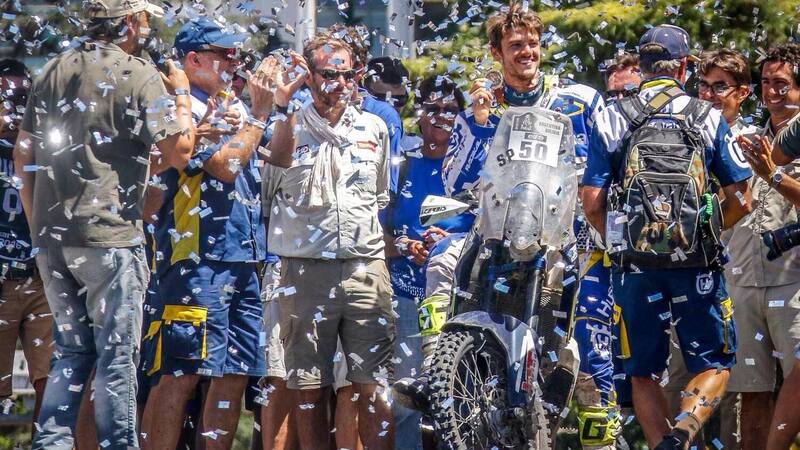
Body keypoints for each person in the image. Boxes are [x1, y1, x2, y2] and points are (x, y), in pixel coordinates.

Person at [393, 2, 605, 434]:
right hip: (494, 233)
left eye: (533, 43)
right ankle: (435, 372)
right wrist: (478, 122)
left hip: (562, 233)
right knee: (443, 260)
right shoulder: (481, 109)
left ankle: (596, 420)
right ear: (497, 53)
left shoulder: (577, 101)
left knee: (587, 341)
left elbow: (604, 163)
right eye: (516, 45)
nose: (527, 52)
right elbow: (453, 181)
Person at [14, 0, 196, 447]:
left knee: (70, 354)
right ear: (130, 22)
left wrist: (39, 227)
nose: (149, 25)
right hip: (110, 239)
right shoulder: (140, 74)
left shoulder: (54, 68)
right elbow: (181, 152)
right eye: (145, 17)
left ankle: (51, 444)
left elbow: (24, 154)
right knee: (116, 358)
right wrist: (182, 94)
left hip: (54, 239)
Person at [581, 24, 753, 449]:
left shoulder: (612, 117)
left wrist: (624, 244)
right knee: (713, 364)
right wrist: (705, 233)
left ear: (641, 66)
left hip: (634, 267)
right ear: (684, 66)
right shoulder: (706, 116)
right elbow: (743, 198)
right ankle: (683, 432)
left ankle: (663, 445)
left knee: (642, 372)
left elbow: (591, 202)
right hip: (697, 265)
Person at [140, 17, 283, 450]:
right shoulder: (180, 109)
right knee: (180, 374)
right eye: (225, 54)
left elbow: (282, 154)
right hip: (196, 258)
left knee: (234, 376)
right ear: (194, 60)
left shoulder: (231, 104)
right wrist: (259, 113)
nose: (236, 62)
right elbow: (225, 166)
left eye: (238, 54)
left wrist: (285, 102)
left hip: (244, 256)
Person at [263, 31, 395, 450]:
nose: (340, 83)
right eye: (329, 74)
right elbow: (271, 180)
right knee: (308, 389)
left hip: (364, 268)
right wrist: (283, 105)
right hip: (305, 271)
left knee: (371, 387)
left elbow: (380, 195)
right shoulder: (287, 126)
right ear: (308, 75)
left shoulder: (374, 127)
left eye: (349, 74)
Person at [384, 74, 472, 450]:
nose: (442, 117)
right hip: (406, 296)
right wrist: (405, 245)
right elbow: (375, 234)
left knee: (460, 402)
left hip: (459, 302)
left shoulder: (473, 172)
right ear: (417, 114)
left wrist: (450, 243)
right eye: (432, 108)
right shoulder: (400, 166)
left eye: (451, 110)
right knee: (403, 403)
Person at [734, 42, 800, 450]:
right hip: (743, 279)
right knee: (751, 390)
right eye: (765, 82)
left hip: (793, 279)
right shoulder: (749, 138)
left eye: (782, 83)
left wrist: (774, 174)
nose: (772, 91)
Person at [0, 59, 52, 438]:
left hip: (40, 279)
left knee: (54, 385)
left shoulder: (41, 149)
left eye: (23, 98)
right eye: (7, 98)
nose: (15, 108)